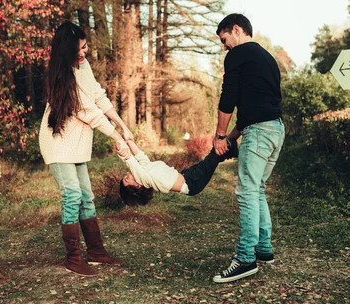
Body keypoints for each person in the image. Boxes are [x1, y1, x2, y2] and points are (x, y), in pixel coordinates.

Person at [39, 21, 132, 277]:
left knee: (86, 196)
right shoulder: (63, 76)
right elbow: (89, 111)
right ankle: (73, 258)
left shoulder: (83, 66)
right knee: (72, 195)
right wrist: (115, 136)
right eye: (78, 50)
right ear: (65, 51)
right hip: (58, 143)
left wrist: (123, 126)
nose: (83, 53)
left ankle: (96, 252)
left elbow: (98, 96)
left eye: (85, 47)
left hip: (77, 143)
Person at [211, 14, 285, 284]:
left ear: (236, 29)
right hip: (276, 130)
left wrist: (220, 135)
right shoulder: (268, 59)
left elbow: (228, 98)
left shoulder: (237, 55)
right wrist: (232, 138)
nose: (224, 46)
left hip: (260, 132)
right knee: (258, 188)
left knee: (246, 191)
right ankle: (263, 249)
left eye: (224, 39)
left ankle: (245, 259)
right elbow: (254, 107)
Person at [117, 135, 239, 206]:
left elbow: (140, 155)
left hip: (188, 175)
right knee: (215, 153)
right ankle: (238, 144)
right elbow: (131, 162)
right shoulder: (144, 178)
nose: (128, 173)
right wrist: (123, 152)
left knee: (216, 157)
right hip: (193, 183)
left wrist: (129, 142)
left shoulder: (145, 170)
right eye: (127, 179)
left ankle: (232, 151)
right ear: (138, 186)